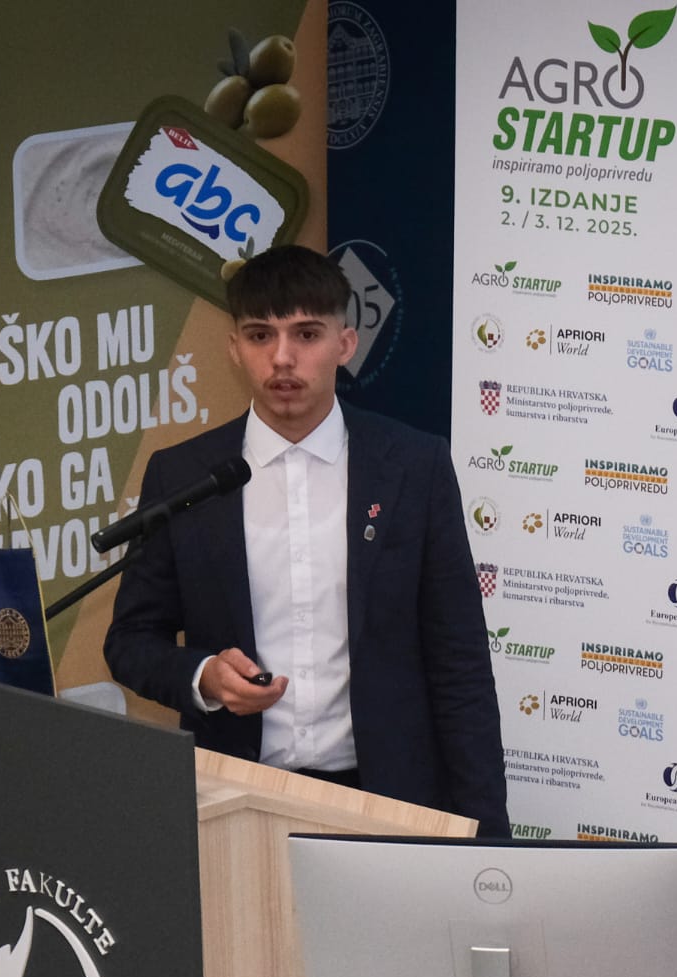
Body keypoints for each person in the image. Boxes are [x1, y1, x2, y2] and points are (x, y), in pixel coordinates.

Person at [104, 245, 509, 835]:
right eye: (260, 336)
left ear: (345, 344)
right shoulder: (185, 475)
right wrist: (204, 675)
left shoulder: (412, 467)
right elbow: (130, 640)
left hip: (389, 801)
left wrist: (488, 836)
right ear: (234, 348)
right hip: (237, 800)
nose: (282, 358)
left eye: (307, 334)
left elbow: (460, 663)